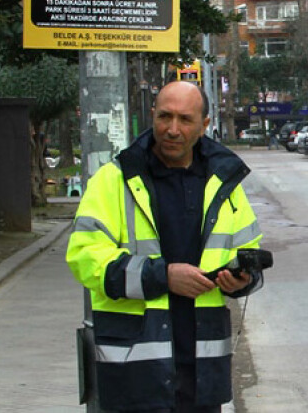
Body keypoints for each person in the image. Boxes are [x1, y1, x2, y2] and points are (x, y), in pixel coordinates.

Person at [67, 81, 264, 412]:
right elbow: (85, 258)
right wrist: (163, 276)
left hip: (202, 370)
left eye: (185, 120)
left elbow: (249, 253)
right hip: (136, 370)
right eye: (164, 117)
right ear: (152, 116)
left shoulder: (224, 183)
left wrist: (243, 279)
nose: (172, 129)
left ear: (204, 126)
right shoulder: (114, 179)